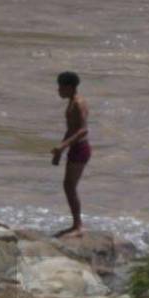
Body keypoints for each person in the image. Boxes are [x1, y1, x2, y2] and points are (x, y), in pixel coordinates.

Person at [51, 71, 91, 237]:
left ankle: (78, 226)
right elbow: (71, 129)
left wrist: (63, 146)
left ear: (69, 87)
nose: (58, 90)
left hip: (81, 149)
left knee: (69, 186)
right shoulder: (71, 102)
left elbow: (83, 130)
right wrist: (60, 151)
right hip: (75, 148)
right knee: (68, 186)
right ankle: (76, 224)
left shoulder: (79, 103)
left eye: (60, 87)